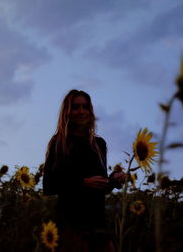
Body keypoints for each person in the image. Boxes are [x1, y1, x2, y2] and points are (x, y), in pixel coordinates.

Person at [43, 89, 125, 252]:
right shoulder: (59, 143)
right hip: (71, 223)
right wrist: (83, 182)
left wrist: (114, 180)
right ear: (67, 111)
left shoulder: (98, 144)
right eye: (76, 107)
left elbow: (100, 185)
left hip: (98, 222)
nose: (81, 111)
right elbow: (49, 185)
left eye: (85, 107)